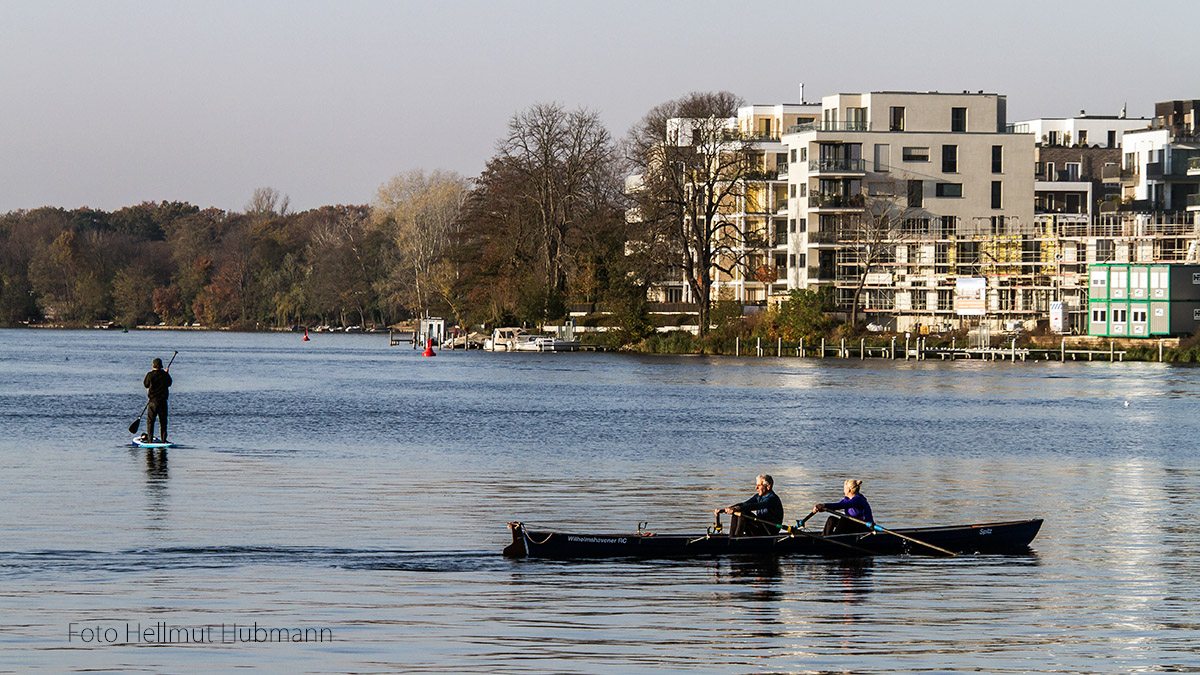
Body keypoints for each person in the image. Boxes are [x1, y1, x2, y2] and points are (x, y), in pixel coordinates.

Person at [714, 474, 784, 536]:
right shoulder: (758, 496)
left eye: (759, 486)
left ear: (768, 487)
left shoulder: (772, 499)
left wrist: (737, 509)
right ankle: (732, 536)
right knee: (737, 512)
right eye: (756, 485)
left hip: (769, 531)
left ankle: (737, 539)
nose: (756, 488)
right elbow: (745, 504)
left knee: (742, 512)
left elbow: (755, 506)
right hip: (761, 527)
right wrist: (726, 509)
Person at [143, 357, 172, 442]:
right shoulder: (164, 375)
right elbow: (169, 383)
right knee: (163, 422)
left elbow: (146, 385)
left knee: (150, 421)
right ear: (161, 365)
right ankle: (164, 439)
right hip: (163, 402)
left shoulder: (150, 375)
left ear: (153, 365)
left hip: (152, 402)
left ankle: (150, 439)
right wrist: (167, 373)